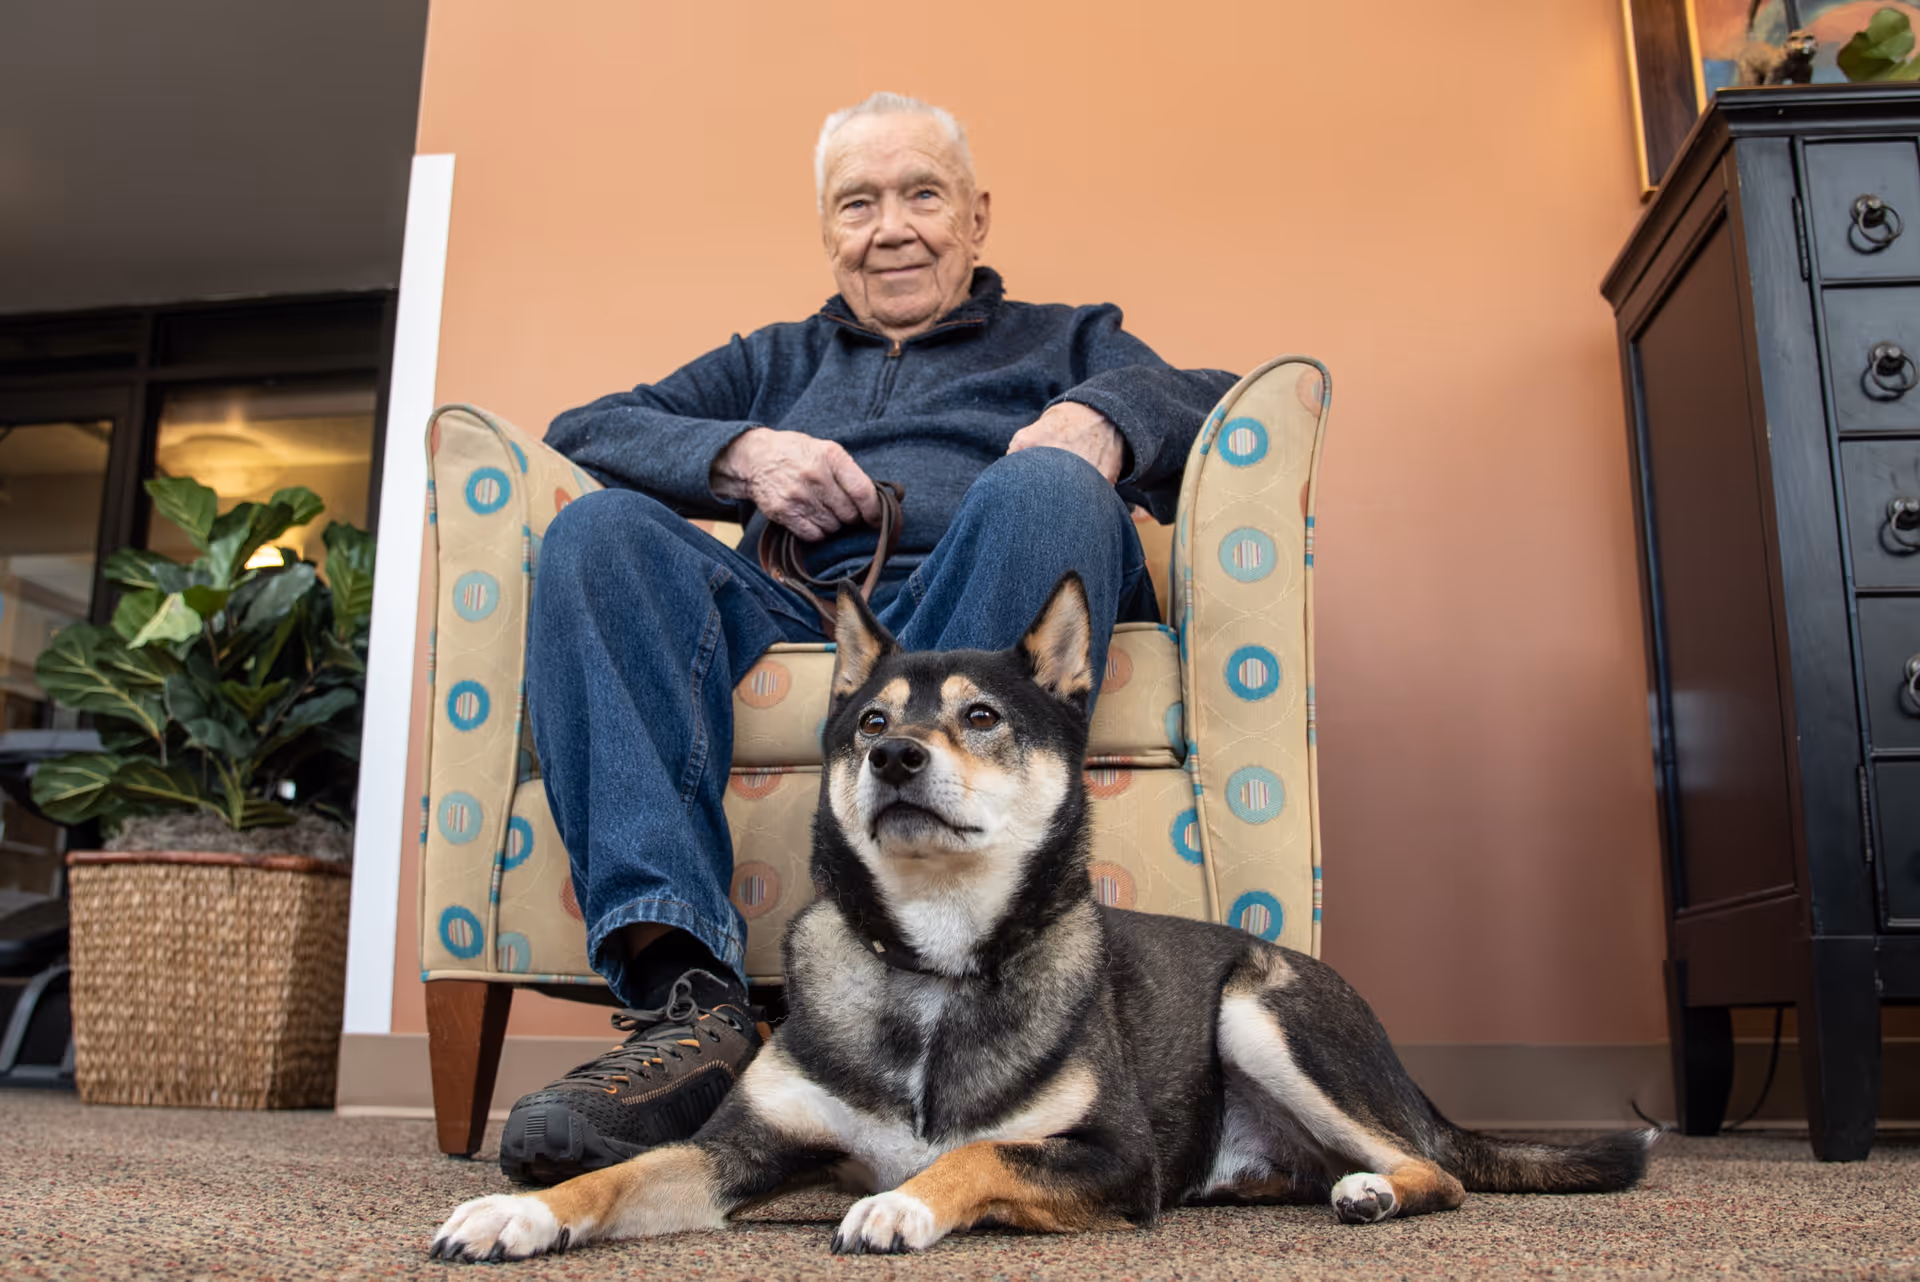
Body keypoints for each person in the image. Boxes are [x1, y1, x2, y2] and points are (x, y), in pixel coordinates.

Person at [502, 91, 1237, 1185]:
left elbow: (1216, 399)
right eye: (859, 202)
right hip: (807, 615)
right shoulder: (773, 359)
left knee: (1047, 488)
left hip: (976, 623)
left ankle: (927, 947)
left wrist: (1104, 418)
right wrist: (745, 456)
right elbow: (583, 433)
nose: (891, 226)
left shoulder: (1068, 337)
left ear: (977, 216)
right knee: (598, 532)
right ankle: (689, 1006)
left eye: (921, 194)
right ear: (828, 229)